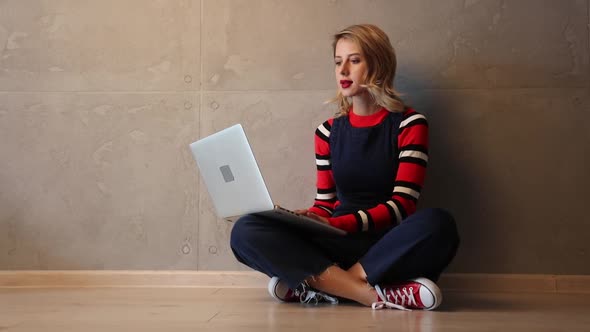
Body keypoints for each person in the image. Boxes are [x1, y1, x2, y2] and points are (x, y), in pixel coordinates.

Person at [230, 24, 459, 311]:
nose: (343, 70)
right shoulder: (326, 132)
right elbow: (325, 205)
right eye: (338, 62)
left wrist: (335, 223)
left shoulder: (409, 125)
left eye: (354, 60)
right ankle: (373, 294)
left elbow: (403, 205)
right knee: (246, 230)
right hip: (334, 242)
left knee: (439, 224)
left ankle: (321, 286)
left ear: (378, 64)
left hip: (384, 246)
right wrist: (306, 217)